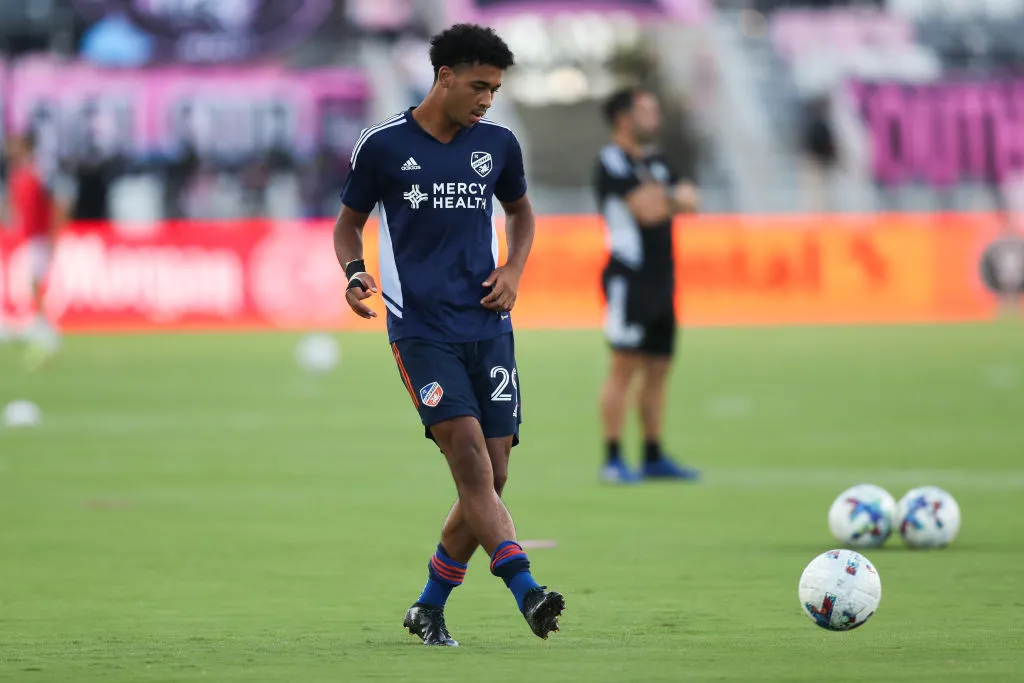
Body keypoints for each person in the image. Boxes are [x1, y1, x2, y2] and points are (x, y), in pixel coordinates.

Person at [332, 23, 564, 647]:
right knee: (469, 462)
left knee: (494, 475)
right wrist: (356, 276)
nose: (488, 100)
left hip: (489, 326)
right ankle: (528, 590)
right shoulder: (382, 145)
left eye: (495, 89)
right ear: (444, 77)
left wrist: (514, 269)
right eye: (479, 87)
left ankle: (428, 606)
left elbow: (520, 211)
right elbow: (347, 226)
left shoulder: (498, 144)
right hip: (422, 332)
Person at [593, 88, 701, 484]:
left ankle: (653, 453)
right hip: (629, 276)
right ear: (623, 117)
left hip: (662, 277)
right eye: (645, 111)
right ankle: (613, 456)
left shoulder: (655, 160)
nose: (654, 117)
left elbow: (689, 202)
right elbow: (649, 210)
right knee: (624, 365)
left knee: (658, 367)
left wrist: (665, 198)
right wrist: (670, 198)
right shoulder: (611, 160)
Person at [2, 132, 70, 345]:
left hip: (38, 235)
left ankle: (41, 322)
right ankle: (29, 321)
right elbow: (13, 207)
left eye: (16, 146)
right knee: (26, 279)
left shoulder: (40, 172)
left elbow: (60, 201)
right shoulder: (16, 174)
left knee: (35, 278)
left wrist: (54, 232)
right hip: (23, 236)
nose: (11, 150)